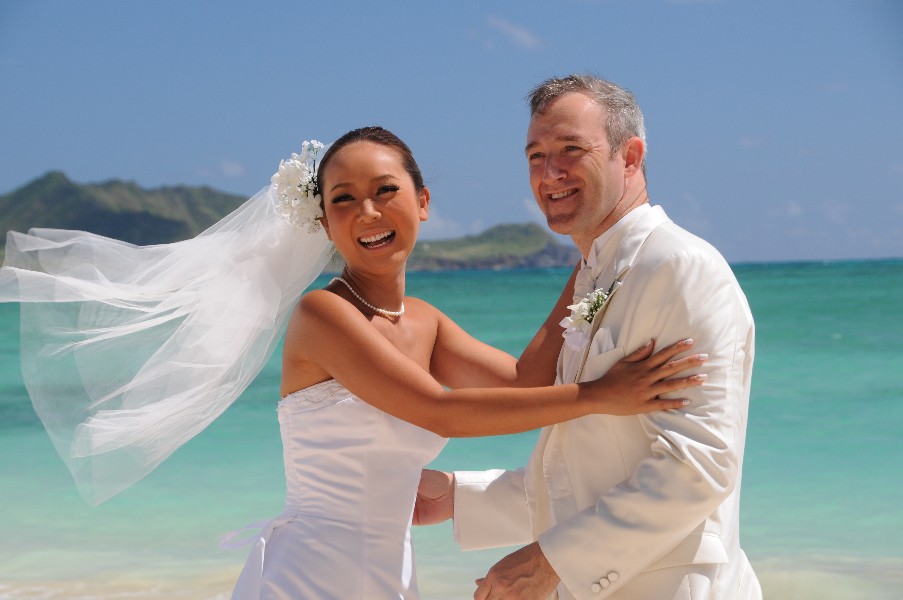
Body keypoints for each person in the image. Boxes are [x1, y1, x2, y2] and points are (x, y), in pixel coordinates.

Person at [0, 126, 703, 600]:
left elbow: (525, 382)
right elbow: (438, 411)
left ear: (422, 203)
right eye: (343, 200)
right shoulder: (323, 315)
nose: (367, 212)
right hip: (310, 576)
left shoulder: (423, 321)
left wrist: (586, 261)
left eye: (385, 191)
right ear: (326, 223)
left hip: (387, 574)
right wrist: (601, 396)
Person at [415, 76, 762, 600]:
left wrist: (550, 560)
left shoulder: (679, 267)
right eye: (535, 155)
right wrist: (458, 497)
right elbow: (584, 474)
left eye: (571, 150)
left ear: (631, 155)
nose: (550, 173)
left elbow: (699, 466)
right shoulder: (594, 273)